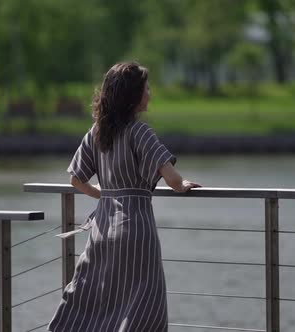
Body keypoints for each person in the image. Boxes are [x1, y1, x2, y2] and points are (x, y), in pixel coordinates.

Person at [48, 61, 201, 332]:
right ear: (134, 96)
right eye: (147, 88)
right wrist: (183, 184)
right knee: (144, 305)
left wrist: (106, 198)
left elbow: (76, 179)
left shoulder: (97, 132)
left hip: (103, 230)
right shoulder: (140, 131)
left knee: (95, 299)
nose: (150, 94)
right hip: (136, 232)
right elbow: (173, 180)